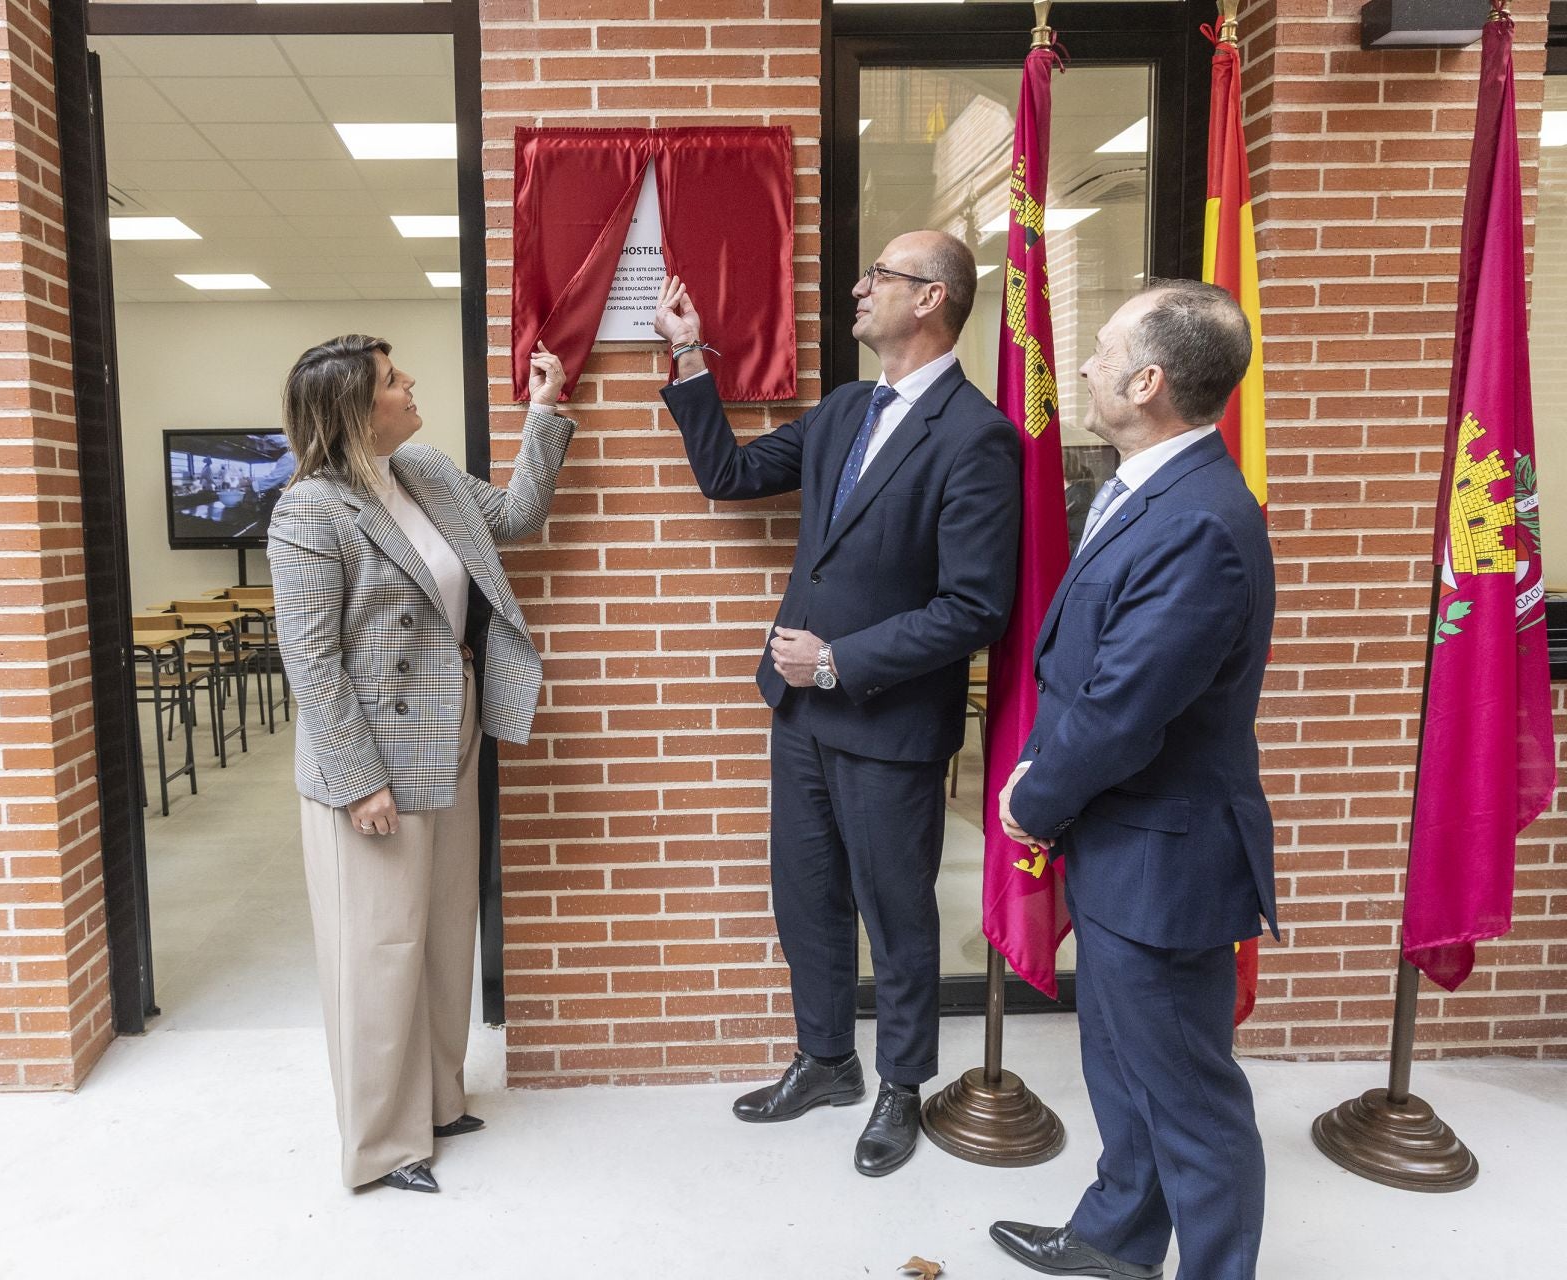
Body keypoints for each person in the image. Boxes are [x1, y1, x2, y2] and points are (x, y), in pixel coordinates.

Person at [653, 231, 1021, 1176]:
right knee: (806, 899)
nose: (859, 289)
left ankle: (902, 1085)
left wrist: (838, 661)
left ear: (932, 298)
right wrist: (689, 357)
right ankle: (826, 1062)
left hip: (887, 723)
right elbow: (728, 476)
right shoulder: (848, 408)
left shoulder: (978, 437)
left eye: (881, 277)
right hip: (802, 715)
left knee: (897, 913)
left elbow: (975, 607)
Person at [991, 281, 1276, 1280]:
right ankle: (1116, 1235)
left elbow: (1123, 708)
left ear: (1149, 380)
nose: (1085, 364)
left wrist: (1031, 795)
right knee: (1123, 1067)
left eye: (1104, 350)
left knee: (1191, 1098)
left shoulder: (1197, 519)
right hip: (1125, 845)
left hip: (1168, 858)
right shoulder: (1147, 487)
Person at [269, 334, 574, 1194]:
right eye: (394, 382)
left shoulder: (427, 472)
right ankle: (381, 1144)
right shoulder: (310, 513)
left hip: (453, 727)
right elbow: (312, 662)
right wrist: (359, 779)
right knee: (380, 946)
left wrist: (542, 412)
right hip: (372, 755)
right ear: (357, 412)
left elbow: (515, 519)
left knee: (442, 930)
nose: (410, 387)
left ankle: (438, 1099)